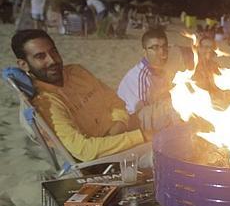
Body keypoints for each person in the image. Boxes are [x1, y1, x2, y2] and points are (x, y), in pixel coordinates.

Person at [10, 29, 146, 161]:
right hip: (103, 156)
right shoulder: (44, 102)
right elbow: (83, 150)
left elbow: (114, 99)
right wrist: (142, 136)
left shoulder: (77, 72)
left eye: (54, 52)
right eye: (40, 57)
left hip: (123, 130)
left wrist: (120, 122)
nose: (52, 60)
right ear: (24, 64)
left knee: (161, 114)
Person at [117, 27, 171, 115]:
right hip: (130, 120)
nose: (161, 51)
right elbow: (142, 113)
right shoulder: (141, 77)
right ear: (145, 52)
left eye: (164, 46)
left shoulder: (162, 70)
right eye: (155, 47)